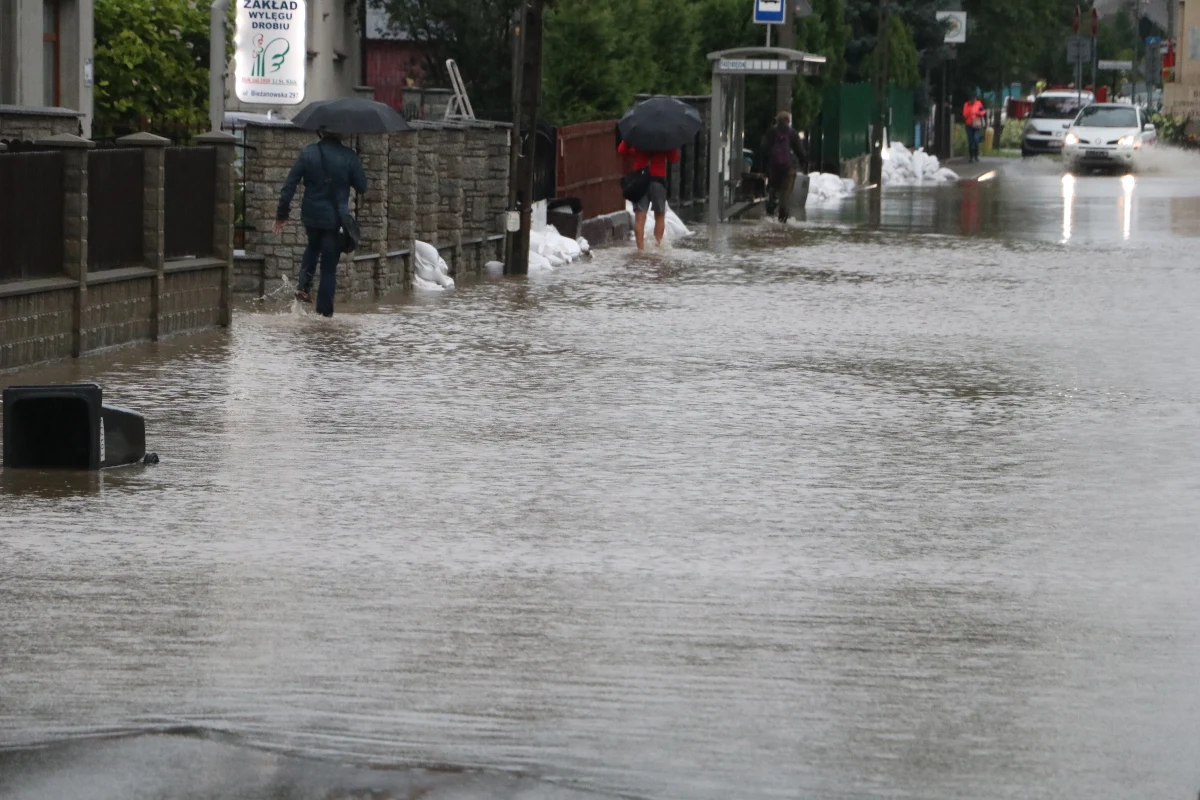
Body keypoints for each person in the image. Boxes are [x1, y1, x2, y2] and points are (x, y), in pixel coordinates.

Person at [274, 131, 368, 317]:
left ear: (322, 131)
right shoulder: (349, 156)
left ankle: (304, 286)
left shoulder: (308, 153)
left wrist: (281, 214)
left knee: (313, 245)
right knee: (328, 267)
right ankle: (324, 318)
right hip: (335, 219)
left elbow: (289, 184)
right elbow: (362, 187)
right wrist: (356, 162)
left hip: (311, 215)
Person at [617, 139, 679, 249]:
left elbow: (622, 150)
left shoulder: (639, 135)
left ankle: (640, 250)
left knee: (640, 218)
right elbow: (674, 158)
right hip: (658, 181)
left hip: (640, 181)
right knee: (659, 215)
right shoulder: (663, 137)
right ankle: (658, 246)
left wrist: (628, 140)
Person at [760, 110, 807, 223]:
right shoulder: (792, 133)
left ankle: (770, 213)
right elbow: (800, 151)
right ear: (788, 120)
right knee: (785, 192)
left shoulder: (771, 132)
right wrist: (803, 163)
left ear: (777, 120)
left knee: (773, 188)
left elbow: (763, 148)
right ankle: (783, 219)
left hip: (774, 167)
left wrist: (764, 168)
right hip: (789, 169)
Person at [962, 94, 986, 163]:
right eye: (972, 99)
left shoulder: (978, 104)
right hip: (969, 124)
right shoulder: (966, 105)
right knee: (970, 140)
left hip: (976, 125)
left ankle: (976, 155)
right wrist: (970, 107)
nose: (973, 100)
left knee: (976, 139)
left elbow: (983, 111)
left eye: (974, 99)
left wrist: (979, 113)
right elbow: (965, 114)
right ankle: (971, 156)